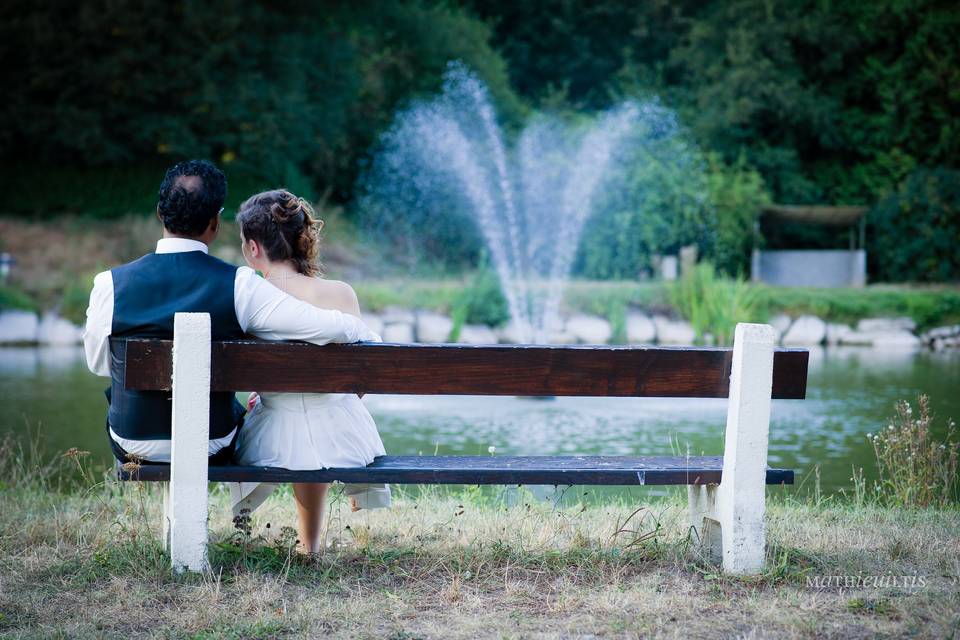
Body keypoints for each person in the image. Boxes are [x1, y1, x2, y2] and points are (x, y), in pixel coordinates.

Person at [83, 160, 380, 469]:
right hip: (212, 440)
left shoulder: (109, 284)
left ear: (160, 213)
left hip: (132, 439)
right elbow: (325, 327)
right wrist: (365, 333)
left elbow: (98, 364)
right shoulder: (240, 286)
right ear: (215, 223)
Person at [232, 189, 391, 554]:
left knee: (289, 421)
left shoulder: (248, 300)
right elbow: (362, 380)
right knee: (326, 415)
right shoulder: (340, 293)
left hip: (270, 441)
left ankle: (289, 538)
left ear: (253, 249)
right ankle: (311, 545)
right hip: (346, 440)